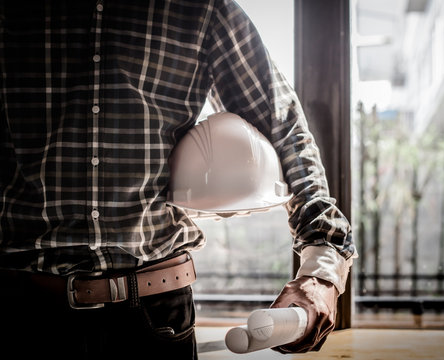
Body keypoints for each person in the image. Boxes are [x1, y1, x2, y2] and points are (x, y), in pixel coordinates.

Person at [0, 1, 356, 358]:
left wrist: (320, 270)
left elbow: (283, 128)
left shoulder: (202, 7)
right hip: (20, 310)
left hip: (157, 315)